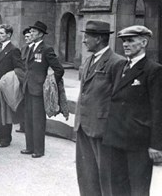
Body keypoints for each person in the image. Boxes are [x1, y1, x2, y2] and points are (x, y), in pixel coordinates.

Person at [103, 25, 162, 196]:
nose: (125, 45)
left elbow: (158, 109)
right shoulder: (120, 66)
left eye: (130, 40)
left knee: (138, 189)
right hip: (116, 138)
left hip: (138, 141)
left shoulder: (153, 70)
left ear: (144, 42)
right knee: (117, 187)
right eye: (124, 41)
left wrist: (156, 145)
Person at [74, 21, 125, 196]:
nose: (84, 40)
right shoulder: (89, 60)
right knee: (87, 175)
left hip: (103, 129)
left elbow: (121, 100)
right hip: (83, 125)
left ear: (100, 38)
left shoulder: (117, 62)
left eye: (87, 36)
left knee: (108, 178)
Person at [22, 21, 64, 158]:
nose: (31, 34)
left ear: (40, 34)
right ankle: (30, 147)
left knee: (38, 120)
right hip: (28, 87)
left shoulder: (46, 49)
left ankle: (39, 150)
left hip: (39, 90)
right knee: (28, 118)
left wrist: (49, 83)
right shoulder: (29, 48)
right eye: (31, 31)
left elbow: (59, 69)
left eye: (34, 32)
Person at [0, 24, 24, 148]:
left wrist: (9, 78)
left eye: (2, 34)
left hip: (4, 84)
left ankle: (6, 138)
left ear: (8, 35)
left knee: (4, 113)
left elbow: (19, 68)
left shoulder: (13, 50)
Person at [16, 27, 34, 134]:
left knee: (29, 105)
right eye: (25, 37)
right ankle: (22, 125)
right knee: (22, 103)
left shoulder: (36, 49)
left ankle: (28, 127)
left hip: (31, 81)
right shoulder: (23, 49)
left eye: (28, 36)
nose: (26, 38)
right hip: (22, 79)